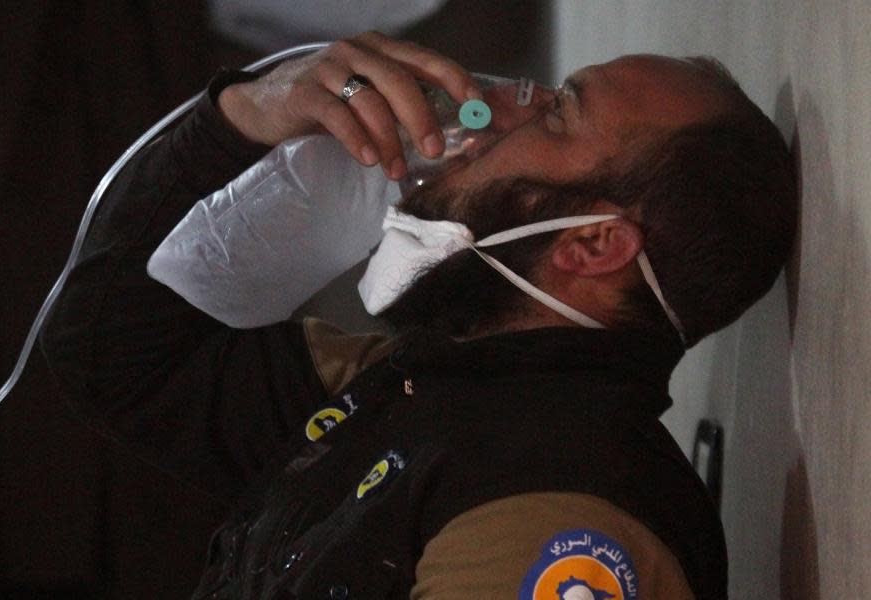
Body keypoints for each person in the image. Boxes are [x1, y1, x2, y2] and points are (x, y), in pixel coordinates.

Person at [40, 31, 795, 599]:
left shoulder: (560, 507)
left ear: (593, 244)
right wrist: (241, 117)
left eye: (557, 114)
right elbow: (113, 356)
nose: (494, 111)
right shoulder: (414, 383)